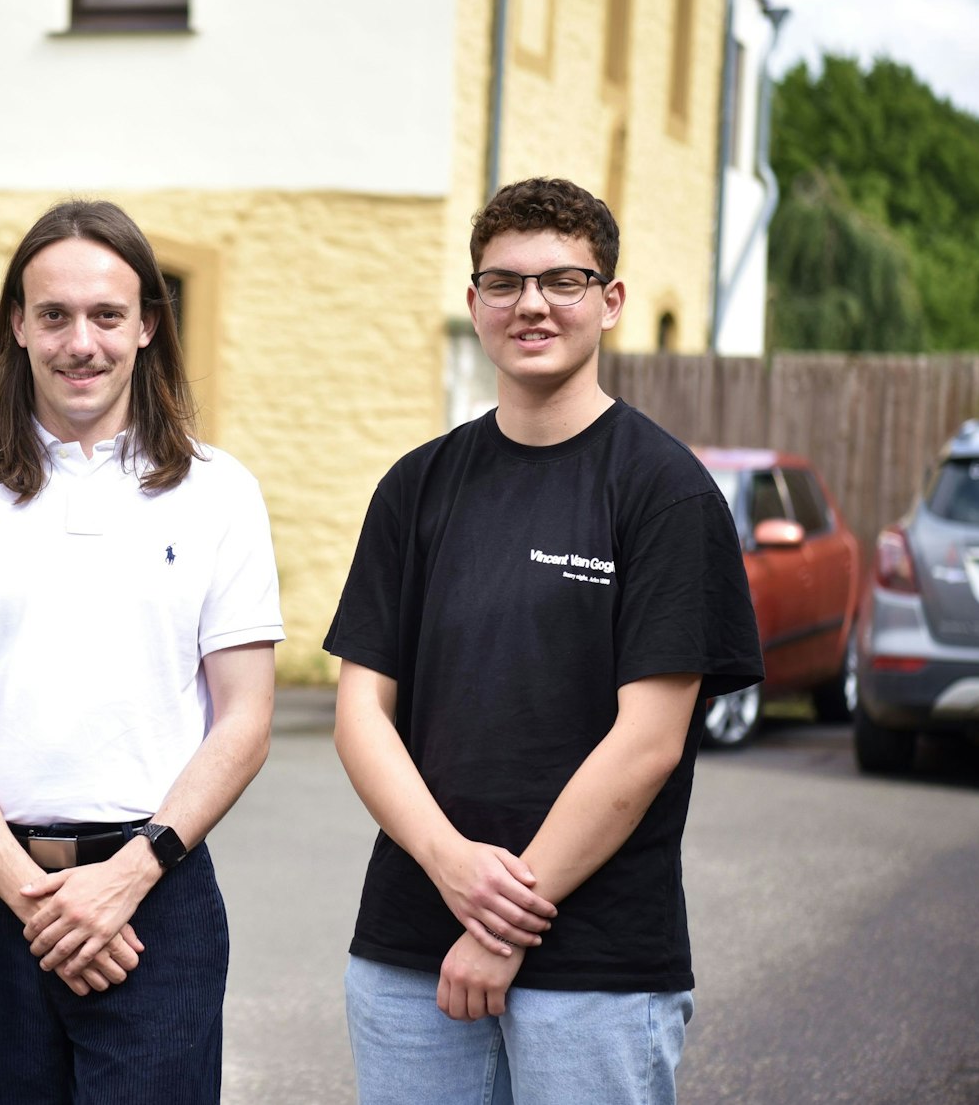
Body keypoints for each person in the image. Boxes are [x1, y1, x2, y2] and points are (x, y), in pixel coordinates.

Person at [326, 177, 762, 1105]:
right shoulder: (416, 488)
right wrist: (450, 863)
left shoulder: (665, 493)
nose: (531, 303)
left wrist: (498, 928)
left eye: (564, 280)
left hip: (595, 966)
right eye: (505, 280)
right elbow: (361, 710)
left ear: (609, 303)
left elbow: (646, 742)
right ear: (475, 301)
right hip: (409, 948)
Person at [0, 199, 283, 1105]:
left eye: (108, 315)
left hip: (156, 895)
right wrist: (37, 897)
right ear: (18, 326)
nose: (81, 341)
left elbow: (247, 720)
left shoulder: (218, 494)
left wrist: (128, 877)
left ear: (147, 325)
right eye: (54, 315)